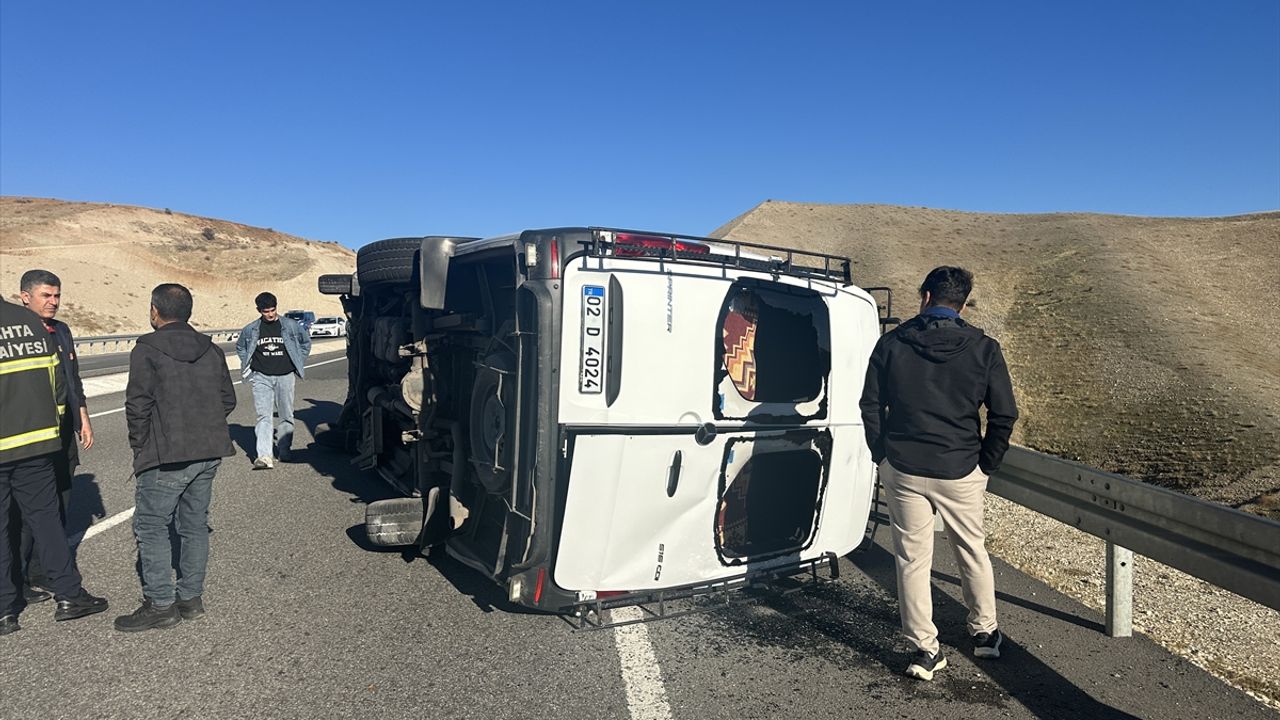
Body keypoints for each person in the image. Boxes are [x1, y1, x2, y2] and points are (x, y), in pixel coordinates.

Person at [859, 266, 1019, 681]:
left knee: (912, 559)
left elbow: (870, 404)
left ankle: (925, 651)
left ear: (925, 297)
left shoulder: (892, 343)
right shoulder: (984, 348)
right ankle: (984, 634)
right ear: (962, 304)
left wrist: (882, 455)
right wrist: (985, 464)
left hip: (904, 466)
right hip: (960, 467)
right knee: (972, 549)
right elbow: (1004, 414)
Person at [116, 284, 236, 632]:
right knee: (194, 525)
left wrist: (140, 445)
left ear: (155, 310)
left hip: (166, 453)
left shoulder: (147, 349)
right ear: (188, 312)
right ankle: (190, 599)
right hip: (208, 450)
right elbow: (227, 399)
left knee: (151, 525)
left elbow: (138, 404)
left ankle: (160, 604)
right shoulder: (211, 348)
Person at [0, 299, 108, 635]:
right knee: (47, 522)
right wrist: (53, 424)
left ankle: (5, 609)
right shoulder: (32, 323)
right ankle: (68, 596)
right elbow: (59, 384)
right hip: (38, 444)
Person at [15, 269, 93, 602]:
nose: (54, 302)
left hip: (61, 432)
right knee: (24, 511)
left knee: (60, 499)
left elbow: (73, 379)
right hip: (30, 435)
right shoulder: (17, 334)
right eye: (46, 295)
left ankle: (42, 570)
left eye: (57, 295)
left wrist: (83, 417)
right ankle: (17, 578)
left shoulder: (61, 330)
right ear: (25, 297)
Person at [236, 292, 310, 469]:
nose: (270, 314)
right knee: (264, 416)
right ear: (259, 310)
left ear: (276, 307)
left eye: (272, 310)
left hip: (285, 375)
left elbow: (305, 343)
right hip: (261, 376)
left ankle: (284, 450)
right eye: (266, 311)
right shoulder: (251, 329)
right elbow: (240, 347)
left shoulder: (290, 326)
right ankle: (264, 456)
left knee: (286, 414)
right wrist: (250, 364)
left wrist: (297, 361)